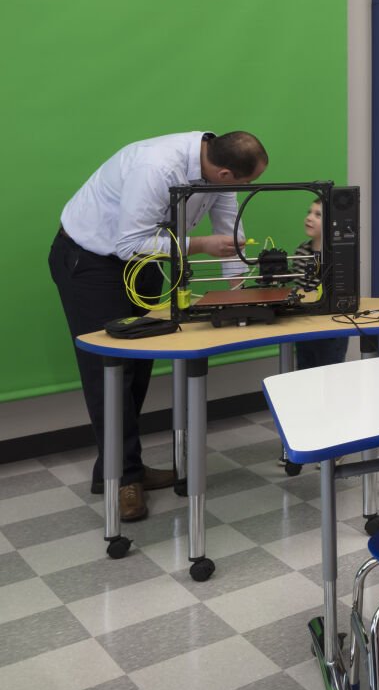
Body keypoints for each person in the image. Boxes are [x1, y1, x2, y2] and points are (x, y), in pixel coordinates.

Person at [49, 131, 268, 522]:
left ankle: (116, 469)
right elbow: (129, 243)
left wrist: (243, 295)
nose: (248, 189)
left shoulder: (217, 166)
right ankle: (126, 479)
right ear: (223, 173)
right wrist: (200, 246)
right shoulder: (155, 166)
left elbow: (231, 231)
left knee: (141, 364)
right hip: (93, 260)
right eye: (245, 183)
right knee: (110, 369)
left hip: (146, 262)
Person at [291, 198, 350, 371]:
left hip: (331, 330)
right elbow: (299, 286)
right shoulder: (301, 251)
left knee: (330, 374)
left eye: (318, 215)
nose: (309, 218)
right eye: (309, 212)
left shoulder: (338, 255)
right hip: (304, 327)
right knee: (304, 370)